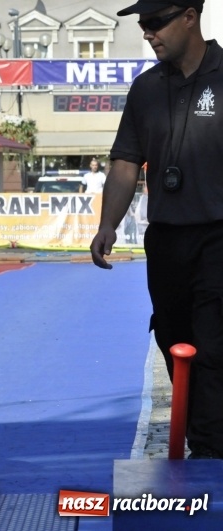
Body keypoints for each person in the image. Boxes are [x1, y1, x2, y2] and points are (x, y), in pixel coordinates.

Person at [90, 0, 223, 459]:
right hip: (166, 237)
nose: (147, 33)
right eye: (142, 25)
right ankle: (204, 434)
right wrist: (107, 223)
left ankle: (210, 450)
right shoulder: (145, 88)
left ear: (190, 15)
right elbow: (126, 160)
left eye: (155, 22)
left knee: (212, 344)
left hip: (219, 236)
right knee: (172, 337)